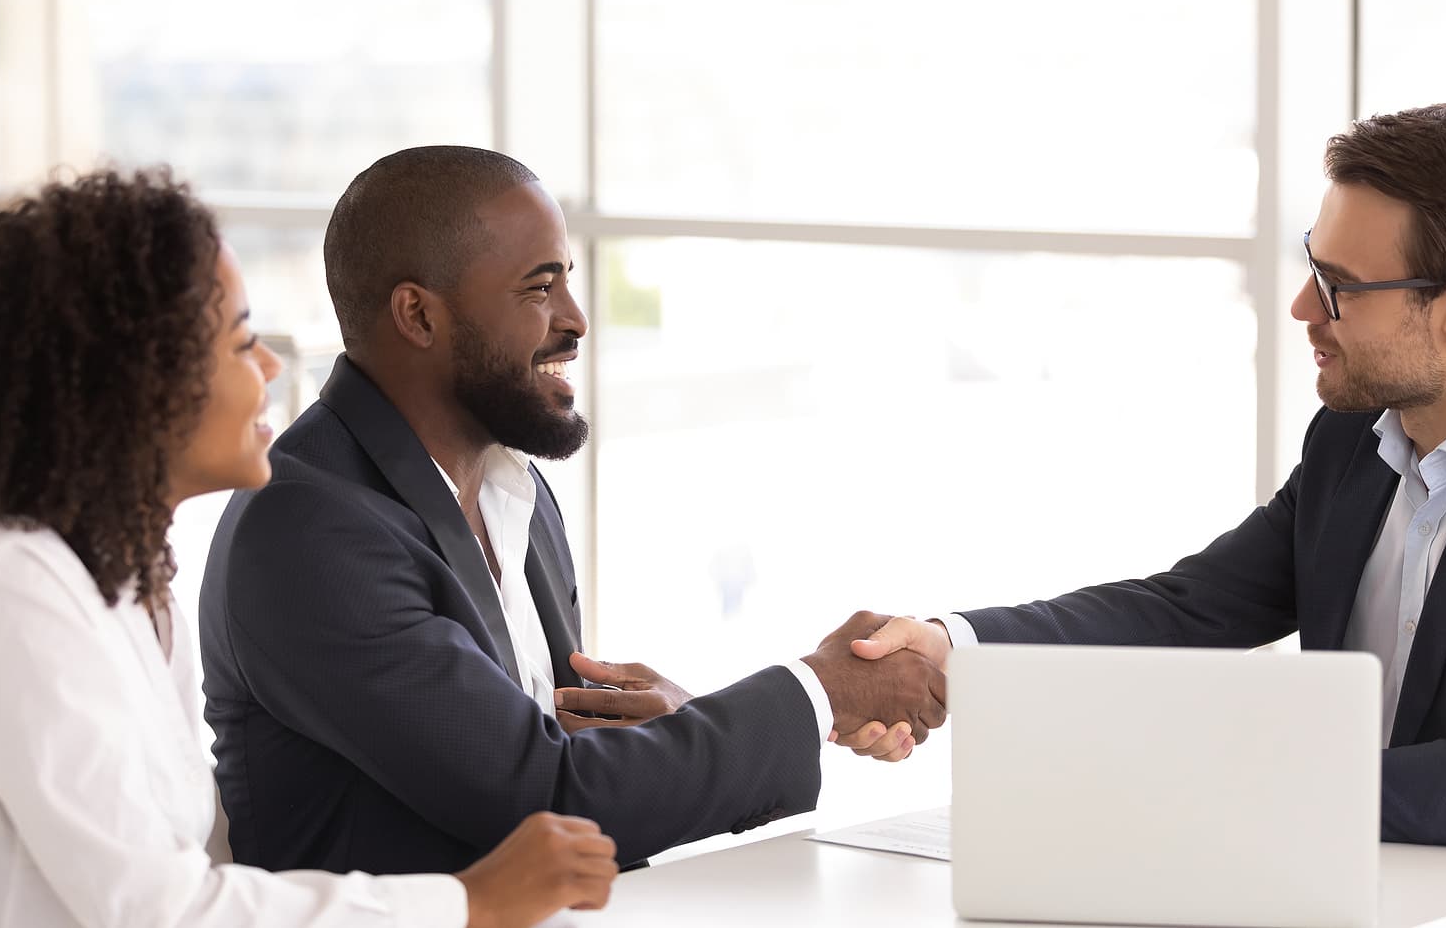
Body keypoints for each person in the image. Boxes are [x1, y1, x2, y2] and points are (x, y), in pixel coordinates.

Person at [199, 145, 947, 874]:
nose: (578, 318)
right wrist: (821, 690)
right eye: (539, 287)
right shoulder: (309, 529)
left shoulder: (512, 489)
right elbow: (547, 798)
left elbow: (568, 757)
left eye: (569, 281)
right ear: (418, 316)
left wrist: (696, 720)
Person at [847, 103, 1446, 851]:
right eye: (1312, 264)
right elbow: (1186, 609)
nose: (1301, 305)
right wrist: (950, 647)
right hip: (1329, 882)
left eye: (1338, 287)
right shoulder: (1353, 440)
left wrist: (1210, 777)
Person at [0, 168, 621, 927]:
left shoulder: (128, 585)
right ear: (128, 381)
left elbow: (177, 858)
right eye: (239, 341)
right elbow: (158, 909)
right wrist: (472, 900)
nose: (269, 367)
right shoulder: (9, 589)